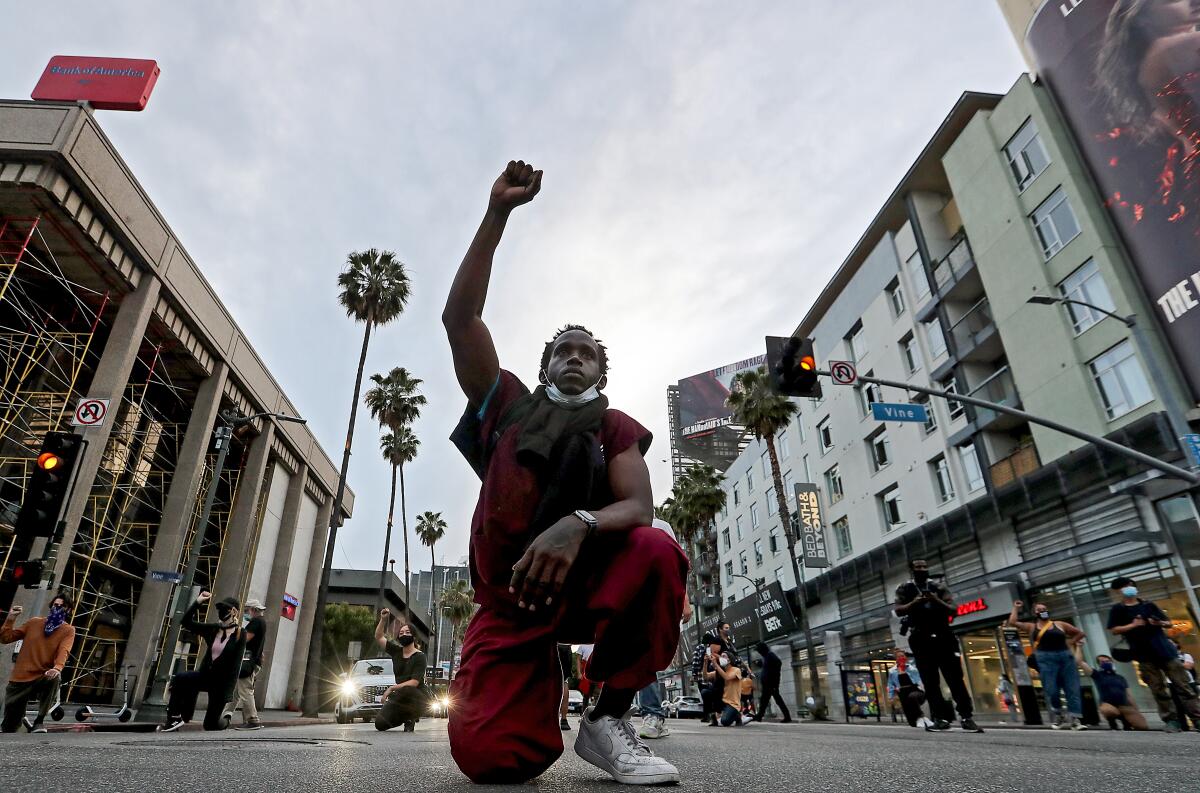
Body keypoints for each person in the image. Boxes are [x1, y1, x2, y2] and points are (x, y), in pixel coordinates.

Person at [443, 161, 688, 786]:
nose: (574, 358)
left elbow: (637, 507)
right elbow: (460, 319)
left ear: (599, 373)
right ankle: (533, 686)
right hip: (513, 599)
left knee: (657, 551)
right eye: (563, 350)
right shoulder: (508, 408)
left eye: (586, 353)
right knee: (494, 761)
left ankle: (608, 717)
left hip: (587, 587)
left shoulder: (615, 425)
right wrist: (498, 213)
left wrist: (577, 523)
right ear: (545, 364)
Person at [893, 559, 982, 733]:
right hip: (920, 636)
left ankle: (966, 716)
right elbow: (898, 610)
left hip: (943, 634)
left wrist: (935, 600)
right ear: (912, 570)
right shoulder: (904, 588)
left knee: (955, 678)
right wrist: (915, 603)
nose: (922, 569)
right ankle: (940, 718)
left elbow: (953, 609)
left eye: (924, 567)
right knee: (930, 680)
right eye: (918, 567)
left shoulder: (939, 587)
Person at [1106, 576, 1200, 732]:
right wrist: (1133, 625)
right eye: (1122, 587)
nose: (1126, 588)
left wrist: (1159, 623)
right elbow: (1114, 629)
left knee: (1183, 687)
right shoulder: (1118, 609)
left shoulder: (1149, 605)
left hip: (1166, 651)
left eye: (1128, 585)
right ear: (1118, 591)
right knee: (1158, 689)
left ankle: (1197, 718)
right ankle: (1171, 721)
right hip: (1143, 655)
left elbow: (1168, 623)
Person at [637, 516, 691, 740]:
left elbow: (677, 565)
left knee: (645, 658)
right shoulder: (616, 516)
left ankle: (653, 715)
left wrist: (684, 600)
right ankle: (617, 714)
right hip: (626, 597)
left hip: (654, 600)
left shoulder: (660, 525)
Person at [159, 592, 245, 732]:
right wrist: (198, 602)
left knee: (210, 725)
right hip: (205, 676)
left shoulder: (240, 634)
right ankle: (175, 718)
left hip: (221, 684)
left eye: (226, 609)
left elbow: (236, 665)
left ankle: (226, 719)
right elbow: (186, 622)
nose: (221, 611)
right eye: (220, 608)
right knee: (181, 678)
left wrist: (228, 692)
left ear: (234, 612)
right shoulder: (212, 629)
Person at [1007, 599, 1087, 730]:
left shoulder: (1059, 624)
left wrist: (1071, 642)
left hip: (1064, 657)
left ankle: (1075, 719)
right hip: (1045, 658)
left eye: (1044, 609)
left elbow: (1080, 633)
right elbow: (1013, 622)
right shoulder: (1032, 627)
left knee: (1071, 688)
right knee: (1052, 689)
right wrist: (1016, 608)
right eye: (1039, 610)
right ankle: (1059, 714)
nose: (1042, 612)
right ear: (1035, 613)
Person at [1, 593, 76, 733]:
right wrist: (11, 618)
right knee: (9, 727)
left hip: (42, 675)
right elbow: (5, 638)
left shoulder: (68, 630)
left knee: (54, 678)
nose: (58, 608)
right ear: (51, 606)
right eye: (55, 605)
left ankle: (39, 721)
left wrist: (57, 668)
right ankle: (17, 720)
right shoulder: (34, 623)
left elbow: (64, 650)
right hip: (20, 677)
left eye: (62, 606)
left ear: (69, 610)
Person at [374, 608, 429, 732]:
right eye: (401, 633)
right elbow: (378, 637)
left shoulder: (420, 656)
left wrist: (391, 688)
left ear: (414, 636)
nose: (404, 634)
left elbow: (414, 683)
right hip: (400, 697)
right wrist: (383, 620)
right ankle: (405, 716)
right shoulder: (396, 652)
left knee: (408, 689)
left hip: (418, 697)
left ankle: (411, 718)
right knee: (380, 724)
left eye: (407, 632)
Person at [1075, 646, 1147, 731]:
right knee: (1108, 710)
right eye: (1102, 661)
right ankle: (1112, 723)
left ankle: (1126, 722)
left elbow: (1129, 695)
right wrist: (1079, 647)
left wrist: (1136, 710)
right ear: (1099, 664)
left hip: (1124, 706)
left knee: (1142, 726)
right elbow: (1080, 662)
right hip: (1108, 706)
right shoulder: (1097, 675)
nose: (1105, 663)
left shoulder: (1120, 677)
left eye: (1107, 661)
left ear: (1112, 662)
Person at [235, 598, 267, 730]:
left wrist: (235, 630)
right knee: (239, 691)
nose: (246, 613)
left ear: (253, 610)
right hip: (254, 661)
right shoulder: (262, 622)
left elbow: (244, 639)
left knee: (245, 690)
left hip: (248, 662)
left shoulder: (256, 622)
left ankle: (252, 719)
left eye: (247, 610)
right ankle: (227, 717)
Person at [886, 650, 929, 729]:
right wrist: (890, 697)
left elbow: (920, 679)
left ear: (905, 657)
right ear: (896, 659)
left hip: (915, 689)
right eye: (899, 657)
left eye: (902, 656)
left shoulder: (912, 668)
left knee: (912, 696)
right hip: (902, 692)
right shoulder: (892, 671)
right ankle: (917, 720)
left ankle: (921, 717)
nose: (901, 658)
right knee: (911, 721)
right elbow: (890, 684)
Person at [704, 649, 745, 727]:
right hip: (722, 701)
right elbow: (705, 676)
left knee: (725, 721)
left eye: (724, 656)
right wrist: (705, 663)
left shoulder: (736, 670)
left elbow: (727, 677)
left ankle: (737, 716)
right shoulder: (719, 671)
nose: (721, 658)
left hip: (733, 703)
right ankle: (714, 717)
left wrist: (715, 664)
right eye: (721, 656)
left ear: (729, 659)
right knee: (705, 692)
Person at [752, 642, 792, 723]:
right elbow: (768, 667)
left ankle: (787, 717)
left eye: (759, 650)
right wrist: (761, 664)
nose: (759, 652)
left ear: (762, 650)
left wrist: (774, 680)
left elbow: (777, 663)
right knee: (765, 700)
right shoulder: (766, 657)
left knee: (774, 700)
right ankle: (759, 716)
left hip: (771, 683)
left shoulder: (770, 655)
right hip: (768, 683)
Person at [558, 643, 575, 731]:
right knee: (565, 681)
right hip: (566, 646)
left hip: (553, 644)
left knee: (546, 681)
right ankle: (564, 720)